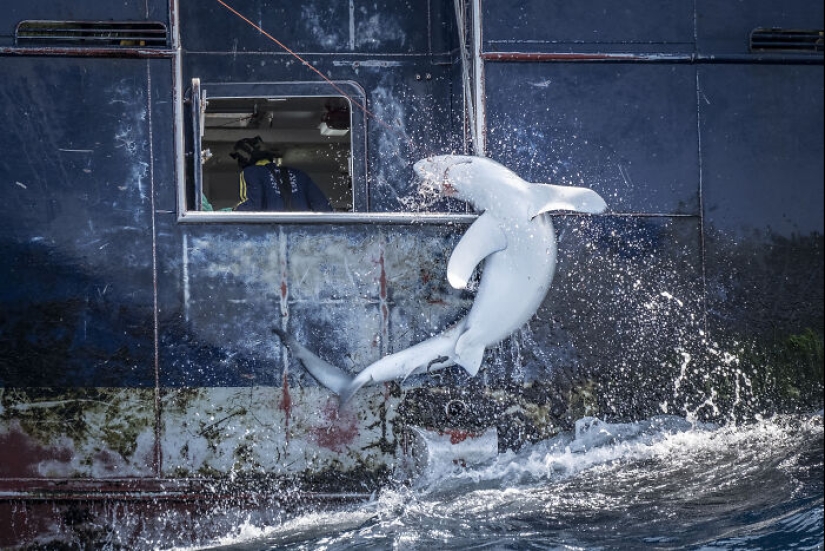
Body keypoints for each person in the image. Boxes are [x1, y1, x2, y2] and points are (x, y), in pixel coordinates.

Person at [230, 136, 333, 212]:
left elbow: (251, 207)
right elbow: (325, 208)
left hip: (271, 236)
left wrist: (232, 212)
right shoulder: (299, 174)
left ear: (243, 161)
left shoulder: (251, 173)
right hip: (301, 237)